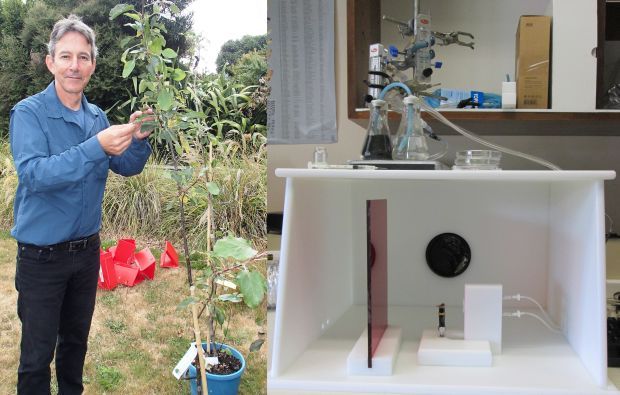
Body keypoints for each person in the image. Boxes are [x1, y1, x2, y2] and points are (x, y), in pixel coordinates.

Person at [9, 15, 152, 394]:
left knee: (75, 347)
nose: (75, 66)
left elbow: (125, 166)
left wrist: (138, 139)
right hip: (41, 258)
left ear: (92, 64)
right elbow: (36, 175)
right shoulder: (29, 114)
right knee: (37, 356)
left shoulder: (97, 117)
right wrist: (96, 146)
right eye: (66, 56)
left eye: (84, 57)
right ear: (50, 62)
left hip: (86, 254)